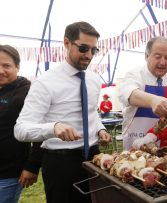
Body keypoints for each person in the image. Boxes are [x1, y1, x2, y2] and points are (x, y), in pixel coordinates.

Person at [14, 21, 111, 203]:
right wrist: (53, 127)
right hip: (61, 163)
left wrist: (100, 129)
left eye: (94, 50)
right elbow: (20, 130)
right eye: (83, 48)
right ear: (67, 43)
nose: (89, 55)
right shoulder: (45, 82)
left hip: (95, 157)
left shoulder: (94, 80)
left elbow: (91, 113)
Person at [118, 36, 167, 150]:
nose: (162, 62)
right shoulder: (134, 74)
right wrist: (153, 101)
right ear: (146, 56)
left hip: (166, 146)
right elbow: (129, 94)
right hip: (137, 144)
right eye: (158, 57)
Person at [0, 45, 42, 203]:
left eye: (6, 66)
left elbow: (39, 131)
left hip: (8, 173)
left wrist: (32, 166)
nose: (0, 70)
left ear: (17, 66)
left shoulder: (27, 92)